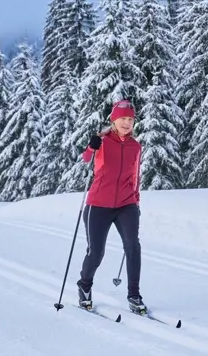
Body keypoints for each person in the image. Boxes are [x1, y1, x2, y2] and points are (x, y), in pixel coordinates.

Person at [76, 99, 146, 314]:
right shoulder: (102, 141)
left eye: (130, 119)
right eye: (123, 119)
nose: (127, 123)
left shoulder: (135, 146)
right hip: (98, 205)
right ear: (113, 120)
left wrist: (135, 199)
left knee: (132, 247)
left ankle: (134, 295)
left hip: (127, 204)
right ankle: (84, 285)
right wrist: (91, 146)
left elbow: (136, 175)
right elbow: (85, 159)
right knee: (96, 253)